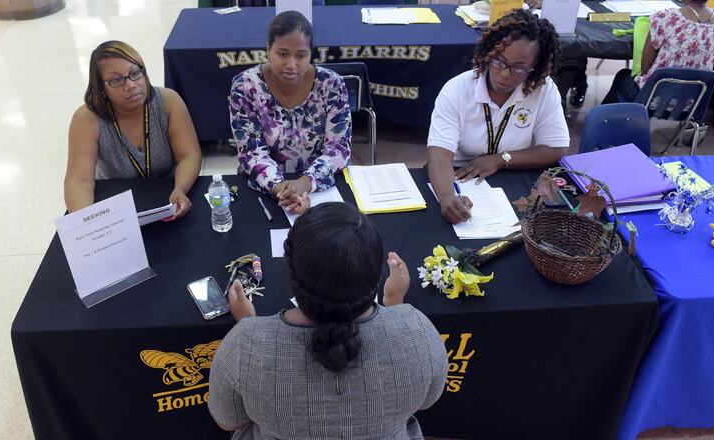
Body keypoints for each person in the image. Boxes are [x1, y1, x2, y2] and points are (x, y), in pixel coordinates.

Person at [208, 202, 448, 440]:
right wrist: (396, 303)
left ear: (291, 273)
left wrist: (248, 327)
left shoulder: (244, 344)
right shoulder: (419, 333)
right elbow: (426, 402)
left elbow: (228, 421)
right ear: (377, 277)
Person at [427, 9, 570, 224]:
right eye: (499, 62)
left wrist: (501, 160)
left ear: (535, 67)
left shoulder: (543, 89)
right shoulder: (457, 89)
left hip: (515, 176)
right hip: (458, 176)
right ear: (488, 54)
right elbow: (439, 154)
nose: (504, 74)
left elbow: (556, 148)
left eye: (518, 68)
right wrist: (447, 197)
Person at [230, 11, 352, 215]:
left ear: (311, 54)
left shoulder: (332, 84)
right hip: (265, 187)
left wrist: (305, 183)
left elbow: (339, 147)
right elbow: (252, 152)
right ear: (268, 49)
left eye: (301, 55)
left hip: (319, 188)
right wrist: (283, 190)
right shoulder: (245, 86)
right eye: (283, 54)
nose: (292, 64)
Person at [64, 40, 202, 217]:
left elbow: (189, 155)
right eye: (116, 80)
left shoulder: (169, 101)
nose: (130, 85)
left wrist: (180, 189)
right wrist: (87, 222)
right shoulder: (86, 119)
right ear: (101, 88)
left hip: (167, 194)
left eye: (135, 73)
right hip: (113, 202)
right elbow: (79, 181)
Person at [601, 0, 714, 104]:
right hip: (691, 101)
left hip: (654, 99)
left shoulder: (666, 18)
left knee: (622, 76)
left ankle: (605, 122)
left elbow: (645, 68)